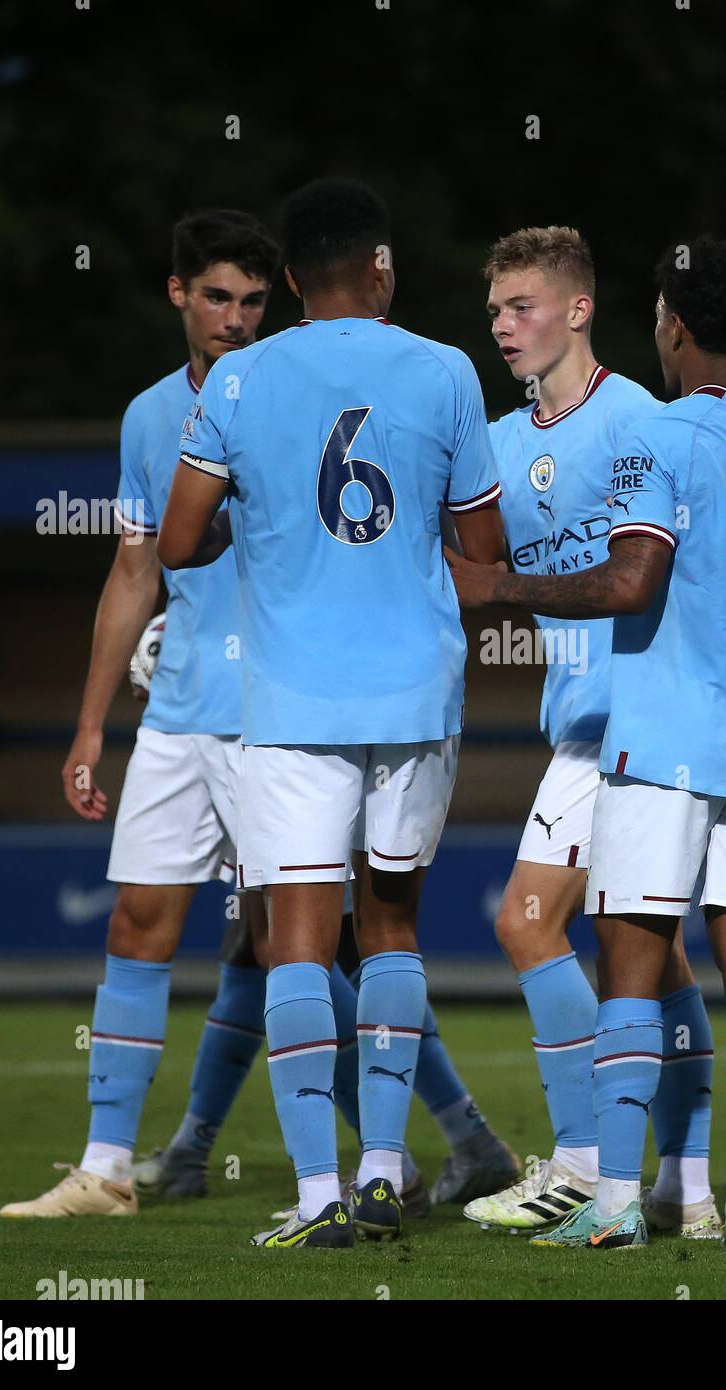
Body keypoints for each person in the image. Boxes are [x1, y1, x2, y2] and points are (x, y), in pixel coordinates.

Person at [449, 237, 726, 1250]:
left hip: (660, 737)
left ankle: (608, 1203)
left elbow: (630, 581)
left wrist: (497, 586)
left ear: (672, 327)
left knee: (630, 962)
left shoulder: (660, 434)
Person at [159, 178, 506, 1250]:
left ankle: (316, 1200)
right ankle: (387, 1169)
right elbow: (485, 552)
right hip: (412, 693)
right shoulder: (446, 369)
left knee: (296, 945)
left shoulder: (236, 378)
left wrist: (254, 535)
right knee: (392, 928)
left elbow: (178, 542)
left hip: (292, 698)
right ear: (384, 268)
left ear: (292, 279)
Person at [0, 210, 277, 1219]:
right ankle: (106, 1167)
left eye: (253, 301)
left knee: (312, 943)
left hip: (280, 718)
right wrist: (88, 727)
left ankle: (422, 1147)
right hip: (179, 714)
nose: (235, 319)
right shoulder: (148, 416)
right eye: (217, 296)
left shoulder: (292, 402)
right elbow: (132, 570)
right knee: (139, 921)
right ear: (177, 295)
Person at [462, 226, 719, 1239]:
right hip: (576, 727)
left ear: (576, 310)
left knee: (528, 921)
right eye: (490, 311)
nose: (500, 326)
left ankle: (577, 1161)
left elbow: (659, 578)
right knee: (651, 956)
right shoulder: (495, 442)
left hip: (643, 721)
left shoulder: (639, 423)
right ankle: (686, 1187)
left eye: (519, 306)